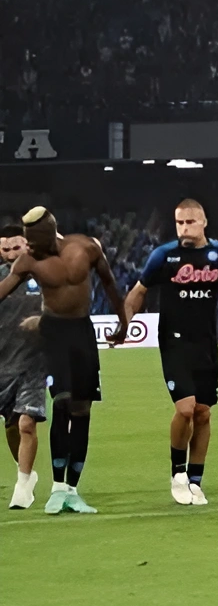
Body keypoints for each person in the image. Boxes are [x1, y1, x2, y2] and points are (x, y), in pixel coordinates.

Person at [118, 198, 218, 506]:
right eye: (179, 223)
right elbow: (138, 292)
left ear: (203, 223)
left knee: (203, 412)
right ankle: (177, 474)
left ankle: (196, 480)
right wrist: (124, 324)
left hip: (206, 342)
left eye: (190, 222)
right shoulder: (164, 256)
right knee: (185, 409)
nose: (184, 228)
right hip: (174, 341)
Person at [0, 208, 124, 512]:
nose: (27, 246)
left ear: (47, 233)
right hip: (53, 333)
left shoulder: (87, 247)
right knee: (62, 402)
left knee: (83, 410)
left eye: (31, 239)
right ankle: (56, 488)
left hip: (82, 331)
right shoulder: (29, 261)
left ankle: (72, 490)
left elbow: (109, 283)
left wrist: (123, 322)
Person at [0, 223, 45, 510]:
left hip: (35, 363)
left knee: (27, 423)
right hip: (3, 364)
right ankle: (26, 472)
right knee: (11, 425)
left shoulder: (45, 274)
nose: (11, 253)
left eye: (16, 247)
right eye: (5, 249)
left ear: (27, 246)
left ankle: (22, 485)